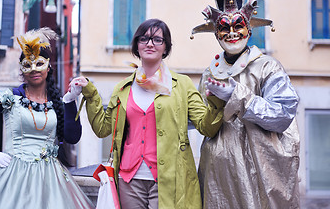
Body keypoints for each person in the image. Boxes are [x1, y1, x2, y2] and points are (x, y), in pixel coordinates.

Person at [68, 18, 224, 208]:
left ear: (165, 48)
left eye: (157, 39)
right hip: (129, 180)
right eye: (144, 39)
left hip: (170, 179)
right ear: (137, 46)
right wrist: (91, 95)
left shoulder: (182, 85)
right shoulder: (122, 88)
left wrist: (217, 101)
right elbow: (102, 129)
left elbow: (206, 126)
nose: (150, 43)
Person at [190, 0, 300, 208]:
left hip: (257, 179)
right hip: (217, 180)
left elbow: (282, 115)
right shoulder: (209, 74)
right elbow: (198, 121)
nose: (231, 33)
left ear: (249, 29)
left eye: (237, 26)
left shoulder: (269, 67)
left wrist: (237, 96)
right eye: (223, 27)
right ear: (215, 33)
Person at [0, 28, 94, 209]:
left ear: (49, 66)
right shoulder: (9, 98)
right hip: (12, 177)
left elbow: (73, 137)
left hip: (50, 182)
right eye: (28, 65)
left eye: (39, 63)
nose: (34, 70)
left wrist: (69, 101)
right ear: (22, 70)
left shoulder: (58, 103)